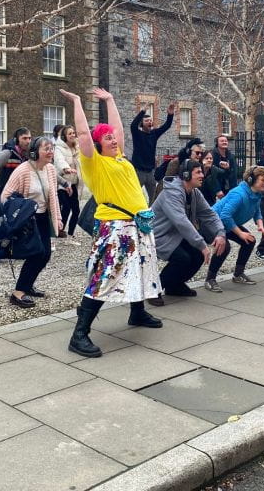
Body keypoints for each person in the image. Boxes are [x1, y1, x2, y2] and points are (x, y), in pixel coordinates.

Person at [59, 87, 163, 359]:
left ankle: (137, 312)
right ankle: (79, 334)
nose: (113, 139)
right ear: (98, 144)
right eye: (106, 138)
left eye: (113, 137)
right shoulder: (94, 163)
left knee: (140, 268)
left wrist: (110, 100)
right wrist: (79, 103)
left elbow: (118, 130)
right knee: (106, 275)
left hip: (137, 224)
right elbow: (83, 134)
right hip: (115, 226)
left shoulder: (120, 159)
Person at [1, 136, 63, 307]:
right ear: (35, 152)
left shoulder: (50, 169)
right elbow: (5, 196)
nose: (51, 152)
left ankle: (27, 286)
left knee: (45, 255)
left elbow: (54, 196)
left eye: (52, 148)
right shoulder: (23, 170)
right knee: (37, 254)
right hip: (28, 220)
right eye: (46, 149)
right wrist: (23, 208)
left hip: (43, 218)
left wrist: (57, 218)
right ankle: (18, 293)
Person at [151, 159, 227, 297]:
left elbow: (209, 214)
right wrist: (202, 244)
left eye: (202, 172)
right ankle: (154, 290)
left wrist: (220, 233)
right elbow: (181, 221)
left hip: (176, 235)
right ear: (186, 175)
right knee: (183, 258)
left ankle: (175, 286)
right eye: (198, 172)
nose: (202, 175)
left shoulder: (194, 193)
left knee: (197, 254)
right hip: (158, 236)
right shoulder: (171, 194)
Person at [206, 166, 264, 286]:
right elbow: (225, 216)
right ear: (251, 180)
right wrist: (240, 233)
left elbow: (257, 211)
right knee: (224, 246)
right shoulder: (239, 194)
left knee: (249, 241)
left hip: (227, 223)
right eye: (263, 180)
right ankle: (210, 279)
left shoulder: (256, 194)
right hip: (213, 223)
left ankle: (238, 274)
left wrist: (260, 225)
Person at [130, 103, 175, 203]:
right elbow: (133, 125)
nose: (150, 122)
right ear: (142, 123)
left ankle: (151, 216)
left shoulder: (154, 134)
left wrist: (170, 114)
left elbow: (166, 126)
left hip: (150, 172)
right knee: (133, 196)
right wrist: (142, 112)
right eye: (147, 121)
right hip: (139, 172)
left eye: (151, 120)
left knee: (154, 197)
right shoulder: (137, 134)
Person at [54, 125, 83, 246]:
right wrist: (66, 168)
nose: (73, 135)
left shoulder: (77, 148)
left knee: (76, 210)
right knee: (65, 208)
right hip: (62, 183)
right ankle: (55, 236)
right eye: (70, 133)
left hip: (74, 183)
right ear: (65, 136)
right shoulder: (59, 148)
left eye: (73, 133)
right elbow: (59, 161)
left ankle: (70, 237)